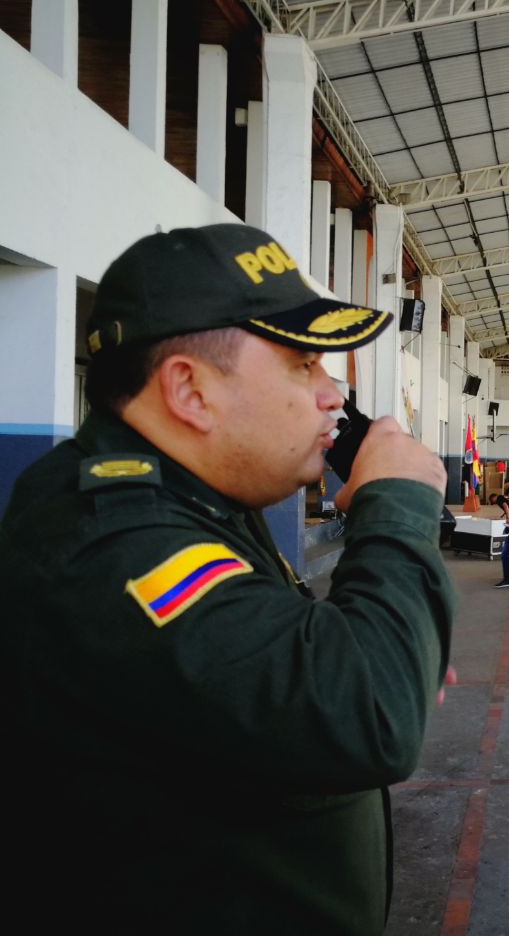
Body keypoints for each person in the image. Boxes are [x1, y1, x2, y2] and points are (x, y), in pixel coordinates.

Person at [0, 224, 456, 932]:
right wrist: (394, 504)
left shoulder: (193, 499)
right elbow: (370, 719)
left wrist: (387, 637)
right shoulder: (117, 548)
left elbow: (269, 664)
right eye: (305, 365)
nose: (333, 396)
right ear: (190, 390)